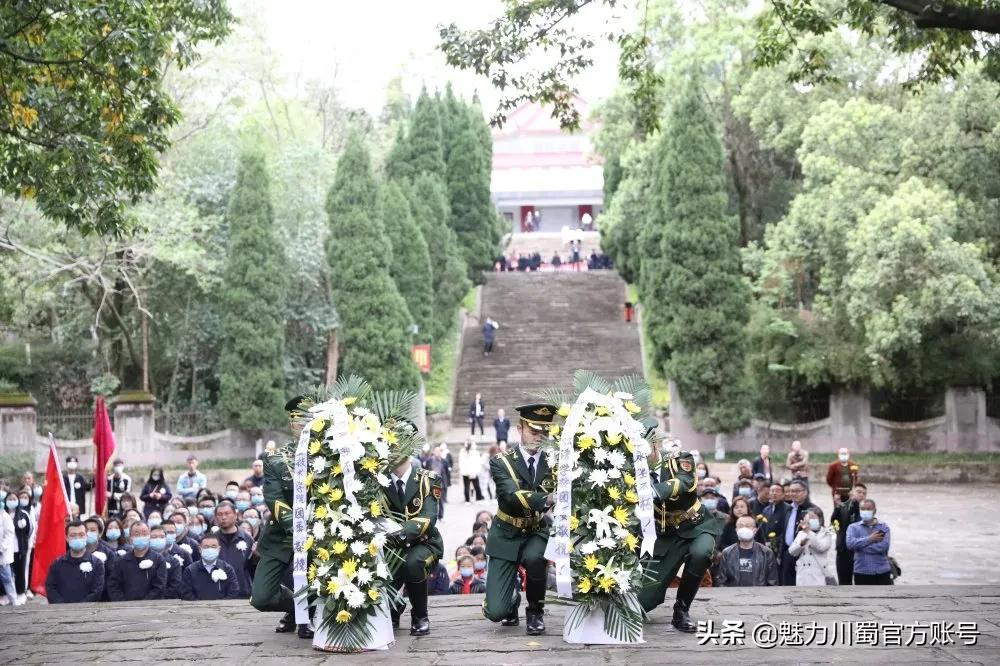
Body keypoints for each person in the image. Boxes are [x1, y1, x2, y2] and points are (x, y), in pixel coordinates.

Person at [482, 404, 557, 636]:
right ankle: (511, 600)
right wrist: (547, 499)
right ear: (519, 429)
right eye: (534, 432)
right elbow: (510, 496)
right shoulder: (501, 462)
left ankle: (535, 612)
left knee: (536, 559)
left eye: (544, 432)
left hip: (535, 529)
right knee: (495, 612)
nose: (539, 437)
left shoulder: (555, 462)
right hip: (506, 532)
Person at [639, 440, 723, 633]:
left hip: (696, 525)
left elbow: (683, 482)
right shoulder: (631, 471)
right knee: (643, 601)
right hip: (665, 534)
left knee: (700, 554)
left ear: (654, 445)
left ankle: (681, 610)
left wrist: (651, 491)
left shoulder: (679, 459)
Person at [250, 395, 313, 639]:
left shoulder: (330, 459)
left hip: (319, 535)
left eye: (307, 421)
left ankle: (310, 612)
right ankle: (295, 608)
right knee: (262, 597)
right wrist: (298, 525)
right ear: (291, 424)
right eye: (297, 421)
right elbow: (274, 500)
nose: (301, 426)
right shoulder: (277, 459)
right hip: (282, 535)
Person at [383, 447, 444, 636]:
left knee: (412, 564)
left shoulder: (428, 479)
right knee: (374, 567)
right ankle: (393, 607)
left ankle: (420, 616)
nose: (393, 449)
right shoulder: (377, 480)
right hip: (388, 546)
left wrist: (398, 534)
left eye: (398, 444)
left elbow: (428, 518)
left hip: (423, 543)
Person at [45, 521, 105, 603]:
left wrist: (80, 607)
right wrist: (62, 607)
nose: (77, 538)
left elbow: (97, 591)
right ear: (66, 538)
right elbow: (51, 588)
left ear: (86, 536)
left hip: (87, 611)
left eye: (81, 535)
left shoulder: (97, 564)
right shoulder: (57, 564)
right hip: (62, 611)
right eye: (73, 535)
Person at [107, 521, 167, 601]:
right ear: (130, 537)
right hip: (125, 608)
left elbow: (159, 586)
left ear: (149, 536)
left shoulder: (158, 560)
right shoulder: (121, 561)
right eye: (136, 534)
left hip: (151, 607)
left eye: (144, 533)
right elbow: (114, 586)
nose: (141, 536)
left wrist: (144, 604)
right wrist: (124, 604)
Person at [714, 516, 778, 587]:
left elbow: (772, 582)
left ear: (755, 530)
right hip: (734, 596)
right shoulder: (727, 553)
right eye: (741, 526)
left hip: (759, 596)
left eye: (748, 526)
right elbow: (721, 581)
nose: (744, 528)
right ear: (736, 530)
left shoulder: (766, 553)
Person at [179, 532, 241, 600]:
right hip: (197, 608)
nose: (210, 549)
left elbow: (233, 592)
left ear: (219, 549)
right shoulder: (190, 570)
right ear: (200, 549)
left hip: (222, 608)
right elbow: (186, 593)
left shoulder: (227, 569)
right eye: (206, 547)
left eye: (213, 546)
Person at [779, 479, 816, 586]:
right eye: (791, 491)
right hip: (787, 554)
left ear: (805, 492)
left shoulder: (812, 510)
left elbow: (816, 535)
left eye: (796, 491)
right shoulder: (788, 509)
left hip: (804, 555)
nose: (793, 494)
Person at [846, 499, 892, 585]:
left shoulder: (883, 527)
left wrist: (860, 547)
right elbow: (850, 544)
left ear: (874, 510)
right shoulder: (853, 527)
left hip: (882, 571)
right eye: (863, 509)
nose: (865, 511)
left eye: (868, 509)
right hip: (861, 572)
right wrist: (870, 539)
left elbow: (884, 547)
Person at [213, 502, 253, 597]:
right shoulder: (212, 540)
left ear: (235, 515)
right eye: (220, 514)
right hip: (217, 592)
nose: (223, 517)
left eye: (227, 513)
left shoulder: (247, 539)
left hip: (242, 592)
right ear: (215, 518)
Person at [789, 508, 833, 586]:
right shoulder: (802, 533)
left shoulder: (827, 532)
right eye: (809, 517)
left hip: (818, 573)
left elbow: (821, 547)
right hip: (803, 574)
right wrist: (800, 545)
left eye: (813, 517)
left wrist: (809, 532)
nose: (811, 520)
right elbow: (792, 551)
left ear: (820, 519)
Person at [833, 483, 867, 585]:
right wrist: (837, 506)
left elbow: (859, 523)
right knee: (843, 583)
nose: (861, 494)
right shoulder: (842, 507)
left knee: (860, 584)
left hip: (859, 552)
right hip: (843, 550)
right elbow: (835, 524)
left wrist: (855, 504)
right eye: (859, 492)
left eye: (864, 493)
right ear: (851, 492)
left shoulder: (866, 511)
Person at [8, 488, 32, 603]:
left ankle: (21, 592)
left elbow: (29, 530)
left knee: (19, 572)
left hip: (19, 549)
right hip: (5, 550)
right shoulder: (3, 514)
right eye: (10, 499)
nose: (12, 501)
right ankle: (5, 594)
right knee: (6, 573)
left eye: (14, 499)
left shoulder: (23, 514)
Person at [148, 524, 182, 598]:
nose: (158, 539)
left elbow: (175, 585)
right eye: (154, 537)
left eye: (162, 537)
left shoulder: (174, 562)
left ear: (166, 539)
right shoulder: (142, 559)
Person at [0, 504, 16, 606]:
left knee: (7, 578)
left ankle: (14, 601)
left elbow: (9, 534)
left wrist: (1, 548)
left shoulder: (5, 516)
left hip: (2, 554)